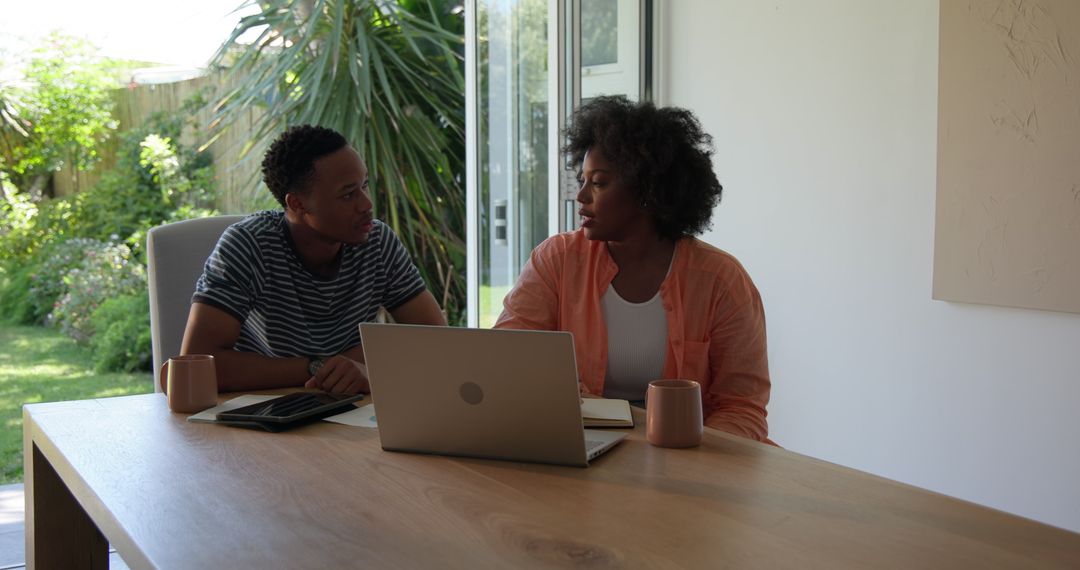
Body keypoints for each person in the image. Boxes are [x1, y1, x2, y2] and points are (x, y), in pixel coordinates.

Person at [495, 96, 771, 442]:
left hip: (688, 458)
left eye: (598, 183)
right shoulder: (555, 260)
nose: (580, 196)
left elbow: (742, 407)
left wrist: (685, 457)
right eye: (582, 180)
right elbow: (510, 362)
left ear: (648, 191)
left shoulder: (721, 281)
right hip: (575, 443)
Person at [181, 124, 447, 394]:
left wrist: (354, 368)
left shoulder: (377, 242)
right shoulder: (248, 245)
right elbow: (196, 366)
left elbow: (435, 338)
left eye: (364, 185)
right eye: (347, 194)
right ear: (298, 204)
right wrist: (319, 367)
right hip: (267, 410)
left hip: (350, 410)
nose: (366, 204)